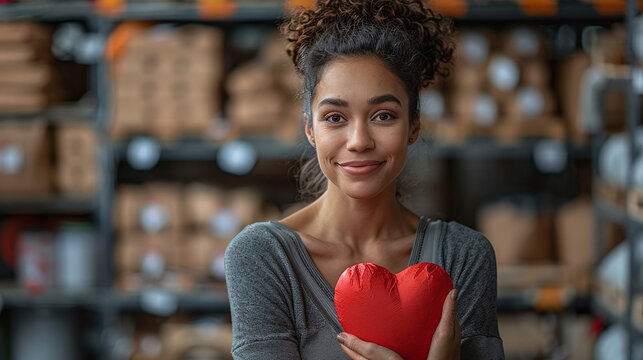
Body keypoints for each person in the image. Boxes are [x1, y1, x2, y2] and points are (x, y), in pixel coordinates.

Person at [224, 1, 504, 359]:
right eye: (335, 117)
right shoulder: (263, 257)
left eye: (383, 115)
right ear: (310, 128)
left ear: (413, 126)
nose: (359, 140)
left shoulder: (463, 256)